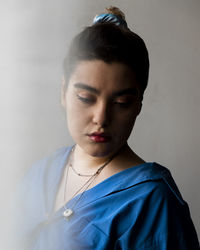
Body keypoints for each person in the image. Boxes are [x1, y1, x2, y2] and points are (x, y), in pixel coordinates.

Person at [14, 6, 199, 250]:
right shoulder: (40, 174)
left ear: (138, 105)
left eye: (121, 103)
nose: (101, 118)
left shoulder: (151, 203)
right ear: (63, 92)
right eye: (85, 97)